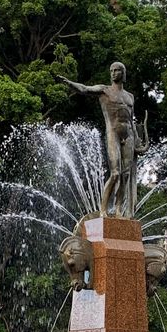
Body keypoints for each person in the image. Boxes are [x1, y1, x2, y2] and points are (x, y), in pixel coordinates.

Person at [56, 62, 147, 219]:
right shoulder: (104, 90)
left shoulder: (129, 96)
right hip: (113, 133)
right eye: (111, 71)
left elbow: (131, 121)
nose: (113, 73)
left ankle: (119, 210)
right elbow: (84, 89)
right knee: (116, 173)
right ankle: (103, 209)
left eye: (117, 70)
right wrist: (69, 83)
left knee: (125, 175)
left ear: (123, 73)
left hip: (129, 136)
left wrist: (138, 141)